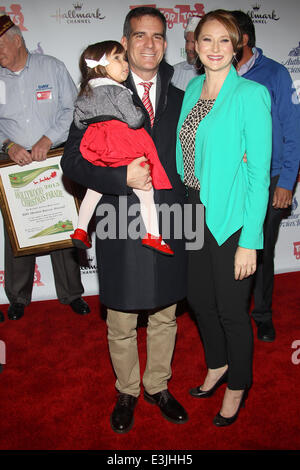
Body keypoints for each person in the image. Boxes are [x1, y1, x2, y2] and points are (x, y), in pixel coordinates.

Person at [61, 7, 188, 433]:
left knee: (166, 314)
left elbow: (193, 156)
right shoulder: (98, 93)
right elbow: (73, 162)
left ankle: (158, 385)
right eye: (139, 36)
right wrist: (119, 177)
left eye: (157, 36)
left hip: (169, 215)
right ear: (125, 42)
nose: (149, 44)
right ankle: (128, 389)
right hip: (117, 217)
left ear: (166, 43)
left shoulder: (182, 93)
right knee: (120, 319)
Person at [176, 10, 272, 426]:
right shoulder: (192, 86)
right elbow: (186, 149)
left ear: (237, 47)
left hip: (231, 216)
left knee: (233, 308)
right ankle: (217, 364)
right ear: (195, 47)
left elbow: (258, 172)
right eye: (206, 41)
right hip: (192, 209)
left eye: (224, 41)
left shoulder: (251, 94)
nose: (215, 49)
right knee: (198, 299)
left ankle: (239, 385)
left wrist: (250, 238)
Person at [0, 14, 90, 320]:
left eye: (0, 44)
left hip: (54, 156)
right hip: (12, 162)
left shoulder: (51, 67)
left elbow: (72, 108)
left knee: (63, 226)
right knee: (18, 229)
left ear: (17, 40)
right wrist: (8, 145)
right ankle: (18, 297)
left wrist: (47, 138)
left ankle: (71, 293)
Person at [231, 10, 300, 342]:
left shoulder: (274, 73)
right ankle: (232, 312)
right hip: (229, 179)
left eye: (226, 35)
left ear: (243, 39)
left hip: (269, 177)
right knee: (227, 247)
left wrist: (287, 180)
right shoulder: (219, 73)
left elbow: (292, 129)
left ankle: (262, 313)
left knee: (260, 250)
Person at [70, 40, 174, 256]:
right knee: (146, 191)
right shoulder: (119, 91)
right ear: (100, 66)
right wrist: (137, 111)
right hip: (121, 145)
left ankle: (80, 229)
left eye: (124, 58)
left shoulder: (85, 92)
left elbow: (79, 121)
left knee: (94, 188)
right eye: (117, 58)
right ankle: (153, 235)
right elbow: (135, 120)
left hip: (96, 147)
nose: (125, 63)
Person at [172, 16, 201, 91]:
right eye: (187, 41)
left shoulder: (217, 74)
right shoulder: (174, 72)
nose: (188, 47)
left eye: (193, 42)